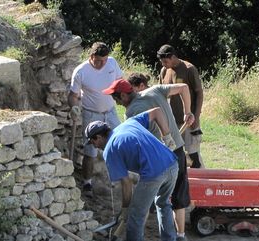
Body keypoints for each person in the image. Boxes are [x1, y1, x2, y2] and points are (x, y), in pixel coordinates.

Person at [102, 78, 194, 241]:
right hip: (176, 152)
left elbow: (138, 141)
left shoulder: (131, 112)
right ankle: (176, 237)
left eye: (115, 98)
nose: (116, 102)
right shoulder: (155, 90)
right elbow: (184, 87)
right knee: (168, 201)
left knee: (139, 210)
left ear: (123, 95)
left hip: (157, 159)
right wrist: (187, 112)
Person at [85, 108, 179, 241]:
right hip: (172, 164)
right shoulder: (129, 123)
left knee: (135, 216)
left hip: (153, 174)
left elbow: (126, 182)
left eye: (92, 142)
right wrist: (167, 136)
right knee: (163, 204)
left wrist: (125, 209)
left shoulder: (110, 150)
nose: (94, 146)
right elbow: (157, 111)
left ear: (99, 137)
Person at [68, 41, 123, 194]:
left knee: (119, 142)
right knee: (90, 150)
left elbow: (120, 82)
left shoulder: (112, 63)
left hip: (110, 111)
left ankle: (120, 179)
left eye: (104, 60)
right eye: (99, 60)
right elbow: (73, 95)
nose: (102, 64)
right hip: (91, 113)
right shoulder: (81, 71)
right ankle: (87, 183)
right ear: (91, 56)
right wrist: (73, 107)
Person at [157, 44, 205, 169]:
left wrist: (196, 116)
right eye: (162, 62)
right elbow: (160, 94)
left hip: (189, 120)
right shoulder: (164, 71)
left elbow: (199, 93)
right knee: (175, 154)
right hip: (171, 121)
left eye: (166, 61)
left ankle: (202, 183)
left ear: (173, 57)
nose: (164, 64)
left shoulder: (189, 69)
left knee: (193, 156)